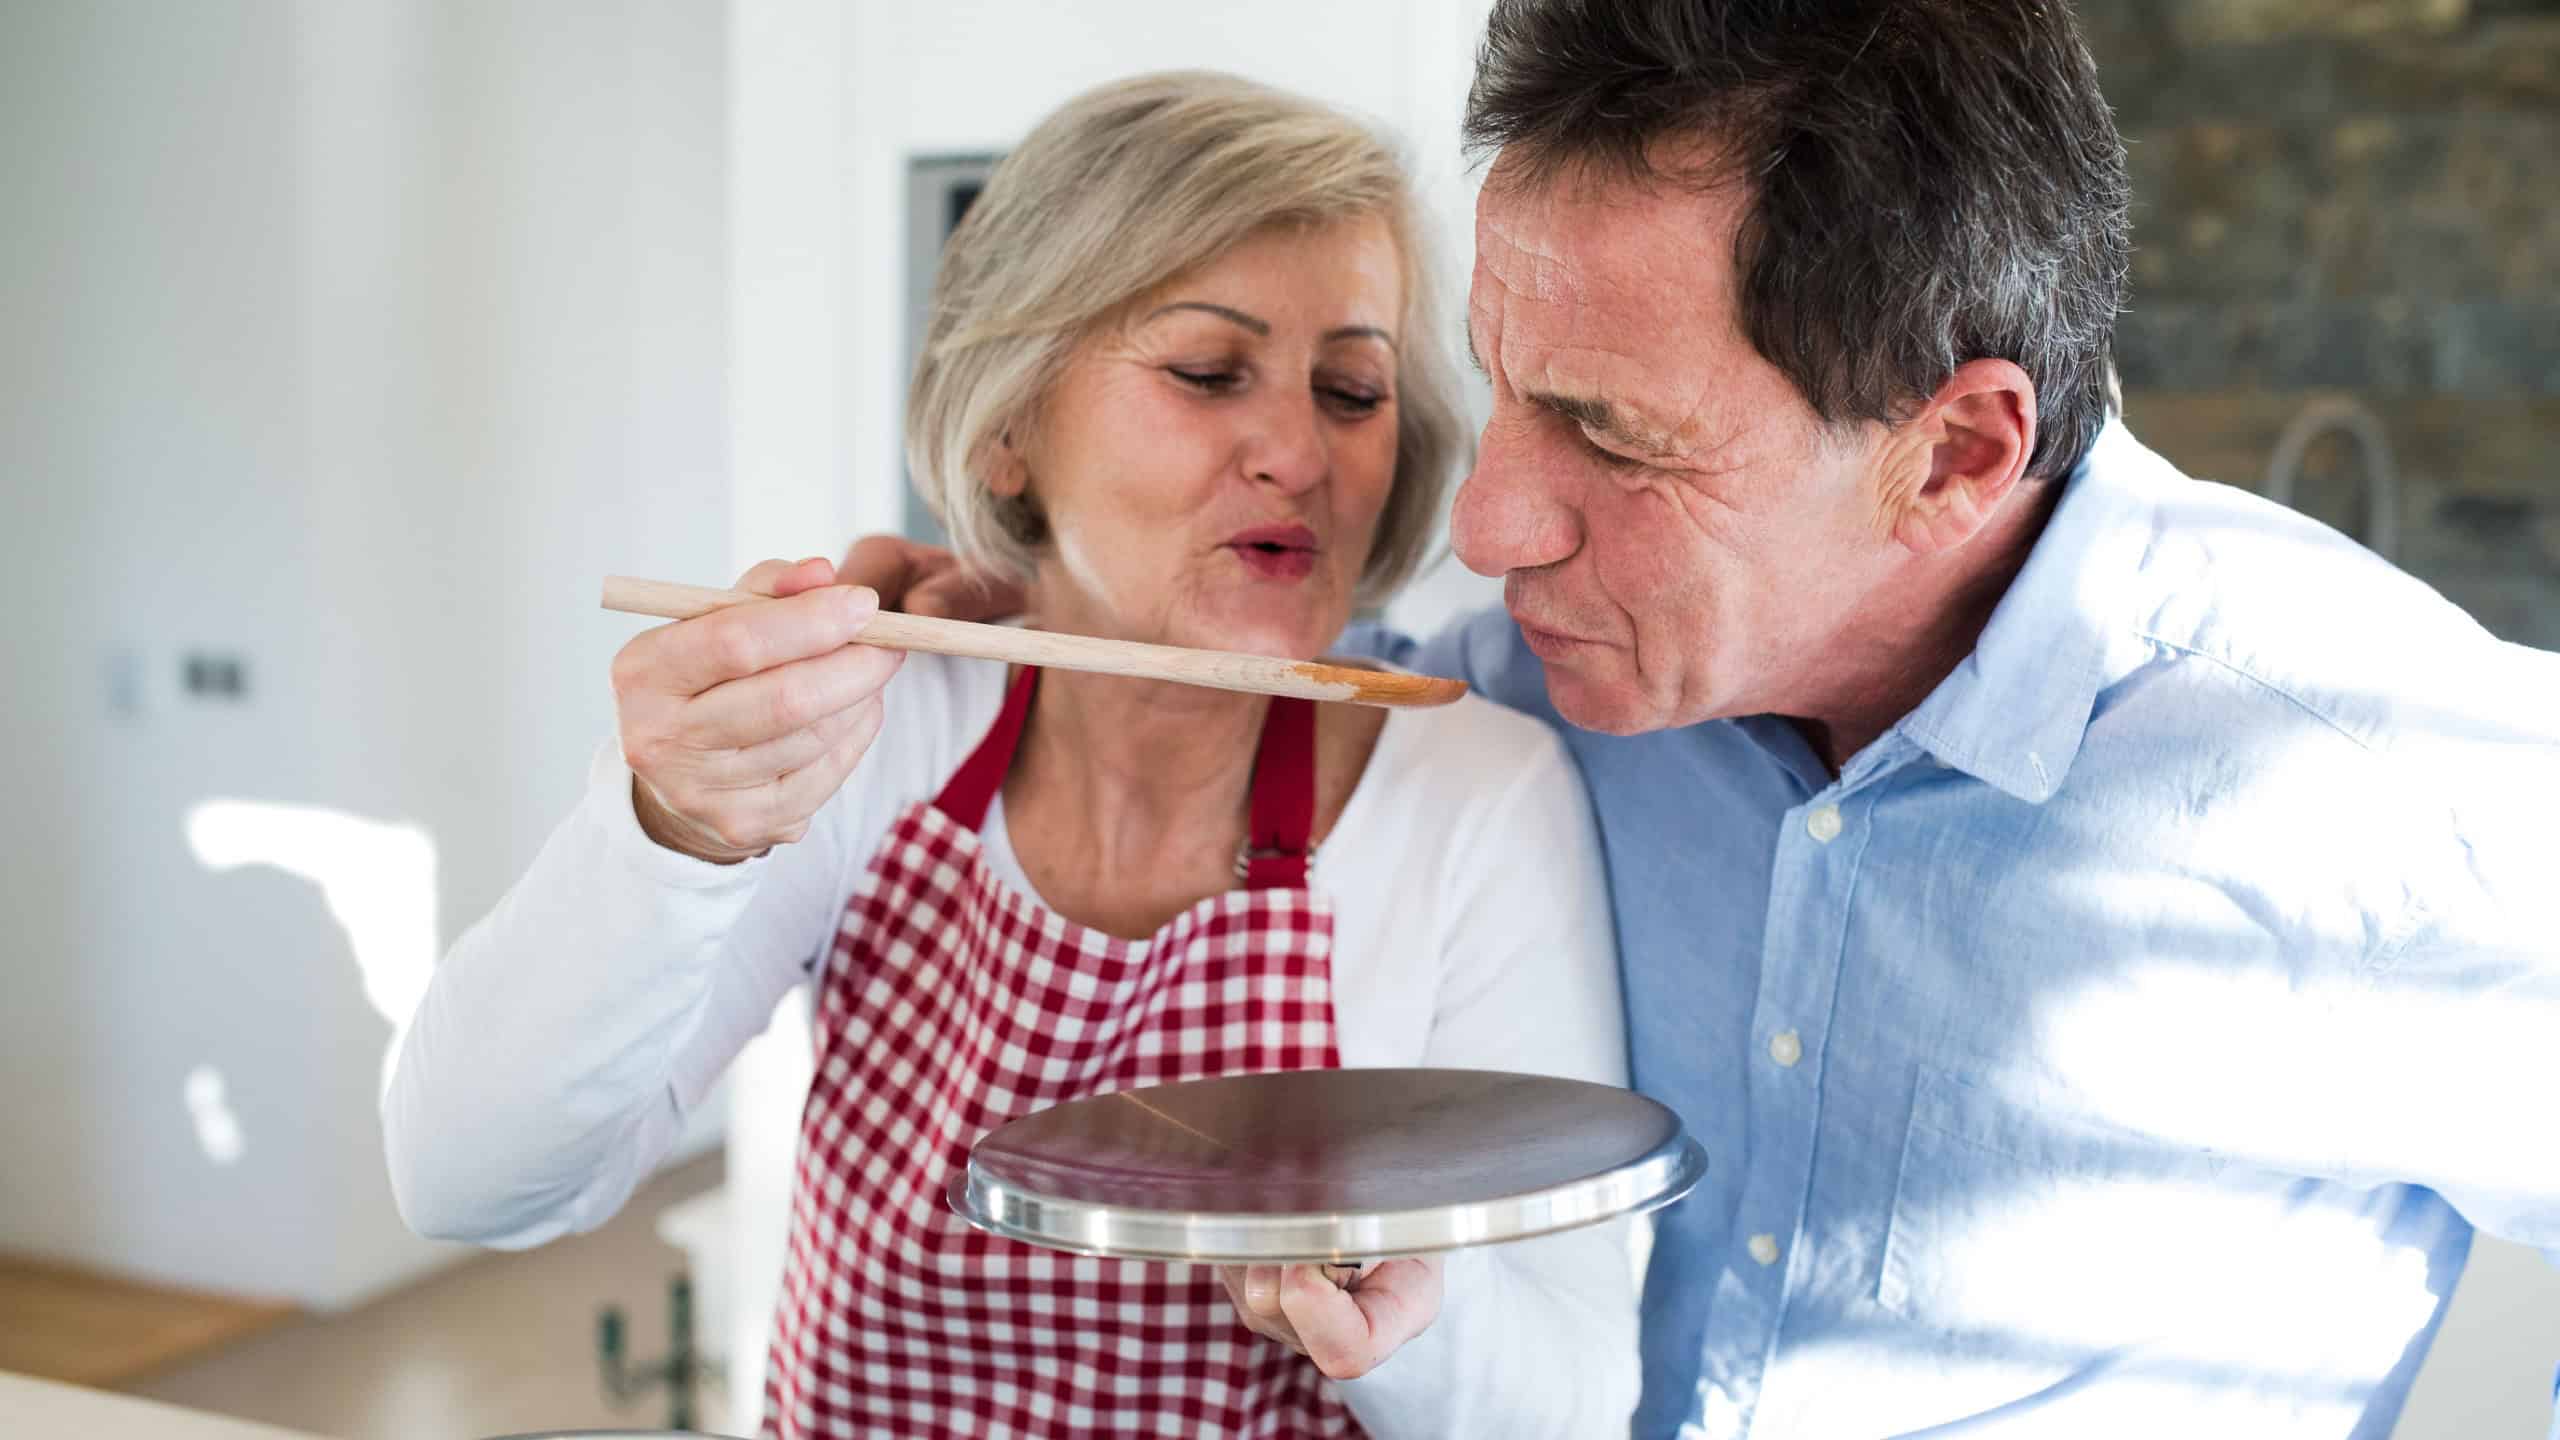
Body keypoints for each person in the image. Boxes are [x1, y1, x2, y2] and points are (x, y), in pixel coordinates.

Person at [844, 4, 2560, 1437]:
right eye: (1499, 387)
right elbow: (1297, 672)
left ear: (1954, 453)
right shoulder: (1541, 675)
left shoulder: (2402, 789)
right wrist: (1027, 607)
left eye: (1611, 434)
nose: (1490, 523)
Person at [383, 71, 1641, 1438]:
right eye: (1209, 371)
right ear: (1007, 435)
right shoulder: (881, 729)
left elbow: (1572, 1407)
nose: (1299, 451)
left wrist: (1408, 1317)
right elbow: (467, 1183)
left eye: (1352, 389)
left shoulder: (1471, 796)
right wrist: (669, 831)